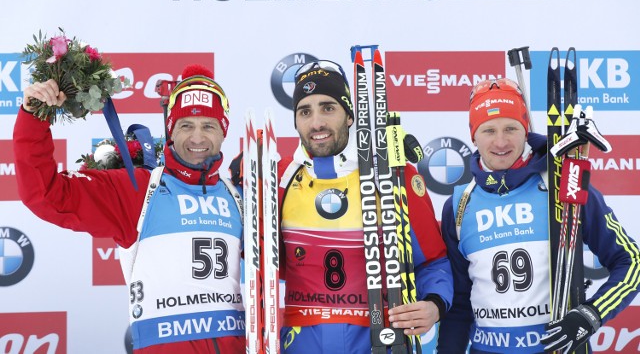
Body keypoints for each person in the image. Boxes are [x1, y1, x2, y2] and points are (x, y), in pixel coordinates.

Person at [13, 64, 245, 353]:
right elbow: (46, 194)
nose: (197, 138)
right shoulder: (137, 191)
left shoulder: (238, 197)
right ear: (171, 131)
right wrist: (35, 116)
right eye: (186, 125)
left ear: (223, 132)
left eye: (208, 126)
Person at [437, 78, 640, 353]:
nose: (500, 141)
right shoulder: (460, 204)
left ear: (525, 129)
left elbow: (632, 263)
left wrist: (590, 315)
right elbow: (460, 303)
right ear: (473, 135)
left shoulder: (562, 185)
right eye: (488, 130)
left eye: (511, 128)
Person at [277, 60, 453, 353]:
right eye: (305, 111)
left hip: (378, 340)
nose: (317, 122)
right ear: (295, 120)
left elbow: (433, 262)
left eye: (328, 108)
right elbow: (267, 267)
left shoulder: (394, 175)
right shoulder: (278, 180)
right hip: (301, 343)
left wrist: (434, 305)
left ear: (348, 115)